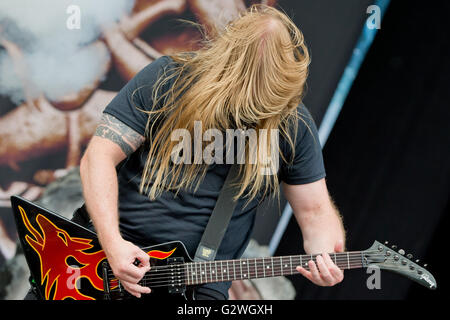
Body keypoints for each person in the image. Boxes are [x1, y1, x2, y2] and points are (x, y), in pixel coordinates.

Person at [79, 5, 345, 300]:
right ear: (225, 64)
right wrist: (112, 243)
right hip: (103, 259)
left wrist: (326, 257)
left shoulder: (292, 123)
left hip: (199, 285)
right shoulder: (169, 78)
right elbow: (98, 157)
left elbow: (315, 211)